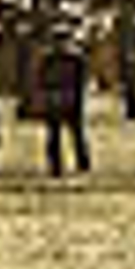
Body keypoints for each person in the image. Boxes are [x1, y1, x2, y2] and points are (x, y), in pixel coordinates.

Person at [39, 18, 91, 178]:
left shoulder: (74, 58)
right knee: (58, 134)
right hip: (60, 97)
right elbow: (43, 79)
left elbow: (81, 81)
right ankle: (57, 165)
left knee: (74, 132)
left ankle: (80, 162)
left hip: (68, 97)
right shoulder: (54, 58)